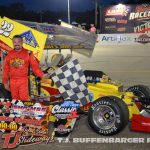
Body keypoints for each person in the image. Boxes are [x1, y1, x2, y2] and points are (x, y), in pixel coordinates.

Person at [2, 35, 48, 100]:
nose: (16, 44)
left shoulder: (28, 53)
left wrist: (42, 75)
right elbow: (6, 69)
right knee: (15, 100)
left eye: (18, 42)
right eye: (14, 42)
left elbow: (35, 67)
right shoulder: (9, 54)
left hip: (23, 81)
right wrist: (5, 82)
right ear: (13, 43)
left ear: (22, 42)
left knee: (24, 100)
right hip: (12, 81)